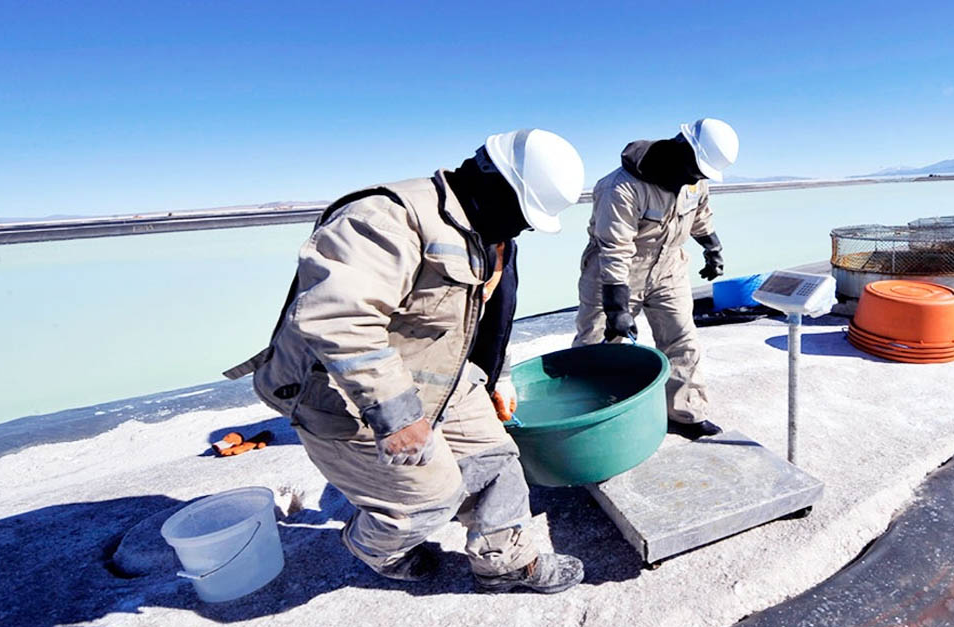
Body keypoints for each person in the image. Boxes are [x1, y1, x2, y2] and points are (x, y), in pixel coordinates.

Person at [225, 129, 586, 593]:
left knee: (496, 461)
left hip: (441, 380)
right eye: (522, 214)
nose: (522, 229)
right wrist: (398, 415)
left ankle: (505, 563)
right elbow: (338, 317)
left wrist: (501, 374)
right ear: (494, 180)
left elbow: (478, 316)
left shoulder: (490, 232)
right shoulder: (387, 219)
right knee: (429, 499)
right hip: (345, 398)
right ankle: (375, 547)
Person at [573, 118, 739, 439]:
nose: (699, 177)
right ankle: (592, 423)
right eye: (697, 168)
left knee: (682, 340)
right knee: (600, 345)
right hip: (616, 272)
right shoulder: (620, 187)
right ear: (681, 147)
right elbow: (615, 248)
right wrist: (617, 306)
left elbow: (700, 215)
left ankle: (684, 412)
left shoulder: (694, 180)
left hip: (669, 267)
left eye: (704, 173)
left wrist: (712, 248)